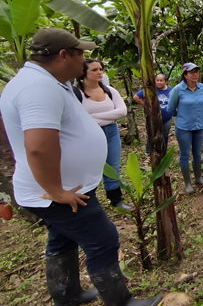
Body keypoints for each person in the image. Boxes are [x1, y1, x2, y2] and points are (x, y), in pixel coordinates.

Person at [0, 28, 161, 306]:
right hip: (56, 192)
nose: (84, 61)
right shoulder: (37, 87)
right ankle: (121, 302)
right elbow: (38, 146)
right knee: (104, 238)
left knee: (63, 238)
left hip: (66, 186)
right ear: (63, 55)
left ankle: (68, 295)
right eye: (81, 55)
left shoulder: (46, 81)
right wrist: (56, 191)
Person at [75, 59, 131, 211]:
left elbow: (122, 111)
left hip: (111, 132)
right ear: (83, 73)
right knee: (88, 168)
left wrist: (92, 117)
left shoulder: (110, 91)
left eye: (100, 69)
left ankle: (116, 199)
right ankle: (88, 201)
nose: (100, 72)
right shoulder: (76, 94)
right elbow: (76, 118)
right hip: (88, 136)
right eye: (94, 70)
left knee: (112, 166)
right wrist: (108, 116)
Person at [167, 63, 203, 194]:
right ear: (185, 75)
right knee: (185, 154)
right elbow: (170, 109)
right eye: (192, 72)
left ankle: (198, 178)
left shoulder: (202, 88)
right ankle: (187, 183)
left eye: (197, 71)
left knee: (197, 153)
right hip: (184, 127)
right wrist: (182, 116)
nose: (195, 74)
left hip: (199, 125)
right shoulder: (178, 90)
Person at [133, 73, 173, 160]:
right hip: (153, 117)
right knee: (152, 134)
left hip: (167, 117)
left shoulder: (171, 90)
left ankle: (163, 152)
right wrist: (147, 106)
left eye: (161, 80)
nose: (159, 82)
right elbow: (136, 97)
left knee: (165, 135)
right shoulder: (150, 89)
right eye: (157, 80)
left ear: (165, 81)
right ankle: (148, 153)